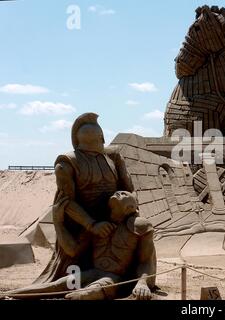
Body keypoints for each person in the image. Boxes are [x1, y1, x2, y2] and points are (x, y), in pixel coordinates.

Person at [36, 113, 135, 284]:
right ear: (102, 137)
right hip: (83, 223)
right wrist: (91, 224)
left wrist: (127, 212)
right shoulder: (66, 163)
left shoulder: (113, 156)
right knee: (75, 259)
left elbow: (128, 189)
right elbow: (66, 202)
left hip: (113, 217)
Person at [5, 191, 156, 300]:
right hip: (93, 272)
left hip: (114, 277)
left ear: (131, 208)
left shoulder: (138, 227)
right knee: (57, 285)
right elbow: (72, 250)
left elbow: (146, 260)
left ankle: (81, 296)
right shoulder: (97, 225)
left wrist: (142, 283)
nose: (118, 193)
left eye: (124, 194)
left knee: (96, 289)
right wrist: (58, 222)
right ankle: (12, 293)